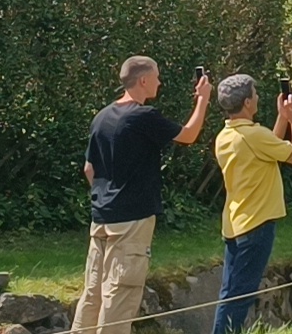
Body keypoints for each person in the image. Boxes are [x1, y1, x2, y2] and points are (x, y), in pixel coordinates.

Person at [76, 57, 212, 334]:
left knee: (93, 293)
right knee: (120, 295)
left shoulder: (101, 117)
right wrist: (203, 100)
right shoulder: (143, 116)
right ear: (143, 81)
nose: (160, 82)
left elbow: (89, 168)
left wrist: (105, 197)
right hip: (132, 220)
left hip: (101, 217)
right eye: (157, 77)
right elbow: (188, 135)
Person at [212, 75, 292, 334]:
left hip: (236, 223)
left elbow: (269, 149)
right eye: (255, 94)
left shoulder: (226, 135)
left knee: (230, 292)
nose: (258, 98)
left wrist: (282, 118)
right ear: (247, 102)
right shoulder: (253, 135)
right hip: (256, 224)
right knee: (239, 296)